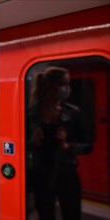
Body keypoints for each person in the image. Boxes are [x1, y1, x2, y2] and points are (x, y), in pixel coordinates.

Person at [26, 67, 92, 220]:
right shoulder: (32, 113)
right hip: (41, 175)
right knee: (45, 215)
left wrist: (68, 146)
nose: (66, 89)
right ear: (48, 85)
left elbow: (88, 146)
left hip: (67, 175)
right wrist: (32, 142)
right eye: (62, 84)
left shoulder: (73, 113)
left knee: (72, 215)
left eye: (67, 84)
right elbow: (19, 144)